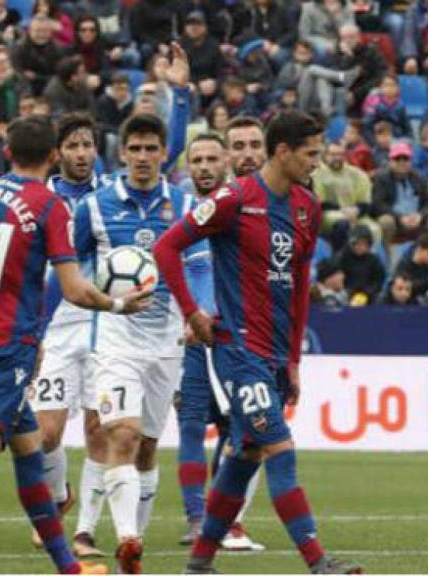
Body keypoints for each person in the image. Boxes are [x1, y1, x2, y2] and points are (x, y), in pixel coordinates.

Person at [0, 115, 150, 575]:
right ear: (54, 156)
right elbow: (76, 290)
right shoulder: (50, 206)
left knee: (28, 449)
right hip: (10, 344)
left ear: (7, 154)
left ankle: (68, 567)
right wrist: (120, 305)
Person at [153, 110, 363, 575]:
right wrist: (191, 310)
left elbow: (300, 286)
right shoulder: (234, 199)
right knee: (278, 447)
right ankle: (318, 561)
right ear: (283, 151)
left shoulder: (307, 206)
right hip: (237, 351)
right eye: (310, 154)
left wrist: (292, 361)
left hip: (273, 355)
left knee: (245, 454)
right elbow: (166, 247)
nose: (317, 161)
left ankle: (200, 562)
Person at [73, 113, 197, 574]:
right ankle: (127, 538)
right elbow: (66, 267)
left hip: (166, 344)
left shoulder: (184, 206)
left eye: (152, 149)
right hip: (114, 341)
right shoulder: (96, 207)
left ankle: (134, 542)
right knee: (120, 435)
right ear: (121, 153)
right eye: (135, 149)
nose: (143, 157)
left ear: (164, 154)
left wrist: (195, 313)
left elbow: (198, 266)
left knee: (146, 446)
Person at [24, 113, 113, 559]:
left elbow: (165, 154)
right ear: (57, 153)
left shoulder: (111, 192)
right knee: (46, 434)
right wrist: (36, 331)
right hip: (57, 326)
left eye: (88, 145)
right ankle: (59, 495)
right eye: (74, 146)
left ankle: (85, 532)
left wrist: (180, 97)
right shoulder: (43, 196)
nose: (82, 154)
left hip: (104, 326)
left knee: (99, 429)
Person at [174, 132, 265, 553]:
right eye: (198, 159)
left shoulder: (240, 208)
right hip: (187, 334)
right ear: (188, 165)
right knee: (190, 423)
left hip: (233, 332)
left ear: (225, 161)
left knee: (241, 427)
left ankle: (225, 519)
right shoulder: (178, 207)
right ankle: (198, 518)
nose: (205, 166)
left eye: (213, 158)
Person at [371, 141, 428, 249]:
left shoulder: (419, 178)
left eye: (405, 159)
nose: (402, 162)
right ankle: (385, 261)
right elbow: (378, 204)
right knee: (385, 222)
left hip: (417, 218)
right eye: (397, 159)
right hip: (395, 219)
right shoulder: (381, 179)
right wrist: (399, 218)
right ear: (390, 161)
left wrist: (420, 216)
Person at [313, 140, 379, 251]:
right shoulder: (316, 174)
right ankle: (339, 259)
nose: (337, 158)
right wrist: (343, 210)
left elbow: (366, 201)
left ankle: (368, 262)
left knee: (374, 229)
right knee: (343, 223)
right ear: (325, 156)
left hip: (357, 214)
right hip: (327, 214)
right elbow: (319, 202)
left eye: (340, 154)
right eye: (333, 154)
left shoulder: (358, 174)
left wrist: (357, 210)